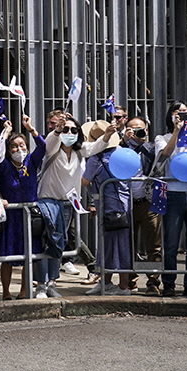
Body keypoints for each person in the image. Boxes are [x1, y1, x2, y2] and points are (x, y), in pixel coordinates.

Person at [154, 101, 187, 297]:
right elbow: (165, 153)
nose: (183, 116)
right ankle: (168, 283)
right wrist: (176, 131)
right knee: (171, 243)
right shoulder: (163, 137)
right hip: (174, 193)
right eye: (179, 112)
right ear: (171, 116)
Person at [0, 115, 46, 300]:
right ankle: (6, 292)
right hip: (10, 216)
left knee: (29, 255)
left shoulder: (31, 161)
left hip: (30, 214)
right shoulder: (3, 165)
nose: (19, 149)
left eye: (21, 145)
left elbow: (43, 146)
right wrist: (5, 132)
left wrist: (30, 128)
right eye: (14, 146)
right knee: (7, 256)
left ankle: (24, 291)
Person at [35, 114, 87, 294]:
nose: (69, 133)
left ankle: (51, 283)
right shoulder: (52, 149)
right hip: (47, 202)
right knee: (44, 242)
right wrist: (58, 129)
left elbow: (98, 146)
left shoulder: (79, 152)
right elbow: (49, 142)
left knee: (59, 243)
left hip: (66, 205)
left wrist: (108, 134)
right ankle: (40, 285)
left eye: (74, 130)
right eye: (66, 129)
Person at [83, 119, 133, 295]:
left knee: (109, 246)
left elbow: (84, 181)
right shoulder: (123, 153)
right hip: (125, 206)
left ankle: (115, 285)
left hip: (108, 208)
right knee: (121, 246)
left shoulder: (96, 159)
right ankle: (114, 284)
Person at [123, 116, 161, 295]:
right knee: (128, 245)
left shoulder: (151, 149)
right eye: (134, 129)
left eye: (142, 129)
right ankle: (131, 281)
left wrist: (141, 143)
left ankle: (153, 282)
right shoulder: (121, 149)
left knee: (153, 245)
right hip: (126, 203)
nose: (139, 132)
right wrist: (124, 141)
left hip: (147, 203)